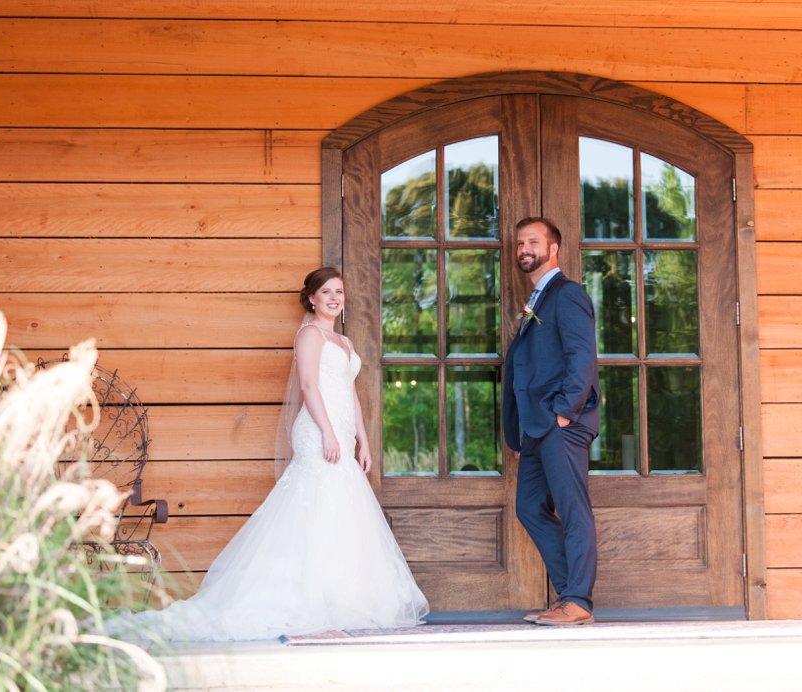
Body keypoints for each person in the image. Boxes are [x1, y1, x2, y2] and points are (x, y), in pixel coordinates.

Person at [110, 267, 428, 641]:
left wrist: (364, 440)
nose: (334, 298)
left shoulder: (345, 342)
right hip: (317, 432)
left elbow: (349, 392)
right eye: (326, 291)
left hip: (342, 434)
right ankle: (305, 599)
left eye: (339, 291)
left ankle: (341, 596)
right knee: (313, 507)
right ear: (311, 298)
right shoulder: (309, 335)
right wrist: (327, 432)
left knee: (341, 511)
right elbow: (309, 385)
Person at [502, 217, 601, 627]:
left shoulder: (567, 294)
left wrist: (565, 410)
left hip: (561, 424)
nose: (524, 249)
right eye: (520, 243)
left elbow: (582, 356)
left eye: (533, 242)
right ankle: (568, 596)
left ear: (553, 248)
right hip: (535, 428)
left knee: (573, 510)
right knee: (529, 507)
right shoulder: (537, 299)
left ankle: (577, 601)